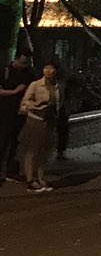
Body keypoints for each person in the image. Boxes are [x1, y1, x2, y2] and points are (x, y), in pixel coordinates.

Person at [18, 62, 63, 193]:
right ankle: (30, 180)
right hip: (36, 120)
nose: (49, 76)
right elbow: (25, 102)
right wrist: (35, 105)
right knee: (32, 150)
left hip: (50, 120)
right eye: (47, 74)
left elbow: (59, 102)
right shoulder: (36, 85)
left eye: (51, 74)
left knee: (44, 151)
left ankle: (40, 178)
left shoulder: (58, 86)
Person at [0, 50, 37, 184]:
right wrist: (15, 91)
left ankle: (12, 171)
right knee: (2, 143)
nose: (24, 65)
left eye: (26, 63)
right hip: (5, 113)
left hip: (21, 114)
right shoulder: (5, 71)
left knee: (17, 143)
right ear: (15, 59)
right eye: (22, 62)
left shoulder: (29, 73)